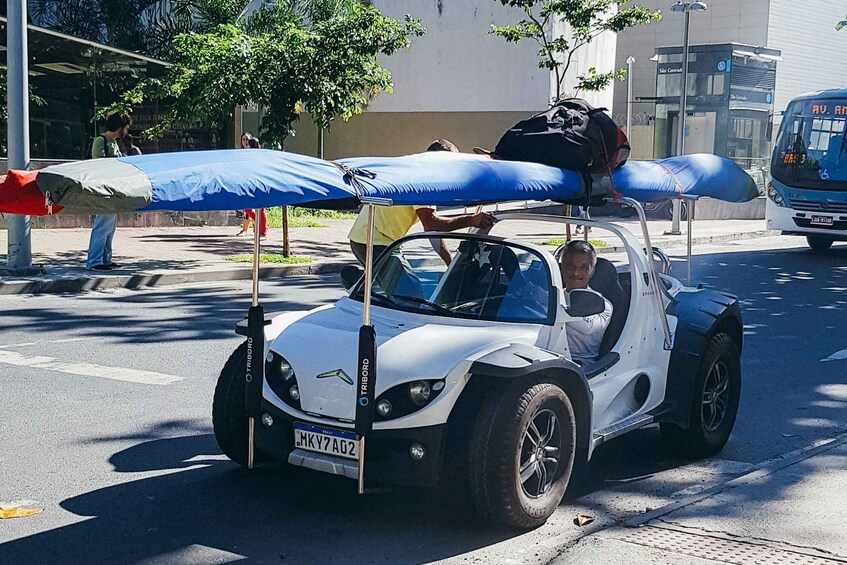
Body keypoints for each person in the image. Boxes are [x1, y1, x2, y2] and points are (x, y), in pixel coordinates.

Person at [348, 139, 494, 266]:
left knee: (391, 288)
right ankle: (365, 290)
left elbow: (431, 230)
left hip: (366, 238)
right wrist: (471, 220)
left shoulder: (417, 170)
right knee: (411, 293)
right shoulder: (425, 180)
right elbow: (432, 224)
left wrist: (449, 262)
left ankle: (363, 289)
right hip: (375, 241)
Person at [87, 112, 131, 271]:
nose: (125, 131)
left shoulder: (113, 142)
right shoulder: (101, 141)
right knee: (102, 225)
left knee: (110, 227)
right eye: (125, 128)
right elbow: (98, 163)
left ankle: (106, 259)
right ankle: (94, 261)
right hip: (103, 189)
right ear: (119, 127)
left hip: (113, 189)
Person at [560, 240, 612, 364]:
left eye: (583, 267)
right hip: (546, 358)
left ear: (592, 271)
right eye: (570, 266)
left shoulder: (604, 306)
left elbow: (588, 328)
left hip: (581, 367)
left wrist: (549, 305)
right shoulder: (555, 295)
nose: (575, 272)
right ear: (562, 268)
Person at [235, 133, 268, 238]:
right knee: (254, 207)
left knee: (253, 206)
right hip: (253, 182)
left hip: (252, 183)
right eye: (244, 140)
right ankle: (260, 228)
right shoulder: (254, 155)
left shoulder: (252, 155)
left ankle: (261, 228)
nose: (246, 142)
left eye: (248, 140)